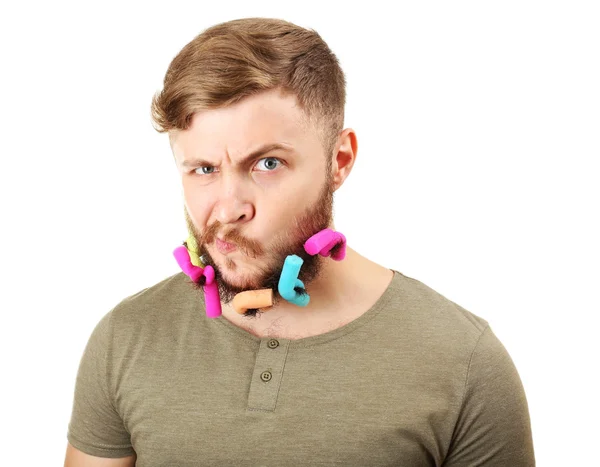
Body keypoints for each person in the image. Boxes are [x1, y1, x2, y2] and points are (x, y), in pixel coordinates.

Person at [64, 17, 535, 467]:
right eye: (204, 169)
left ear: (340, 160)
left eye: (267, 163)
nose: (228, 210)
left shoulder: (466, 362)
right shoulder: (124, 340)